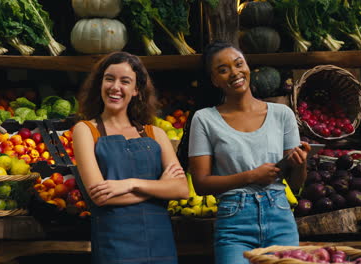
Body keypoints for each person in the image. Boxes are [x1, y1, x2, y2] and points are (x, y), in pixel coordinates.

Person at [178, 41, 311, 264]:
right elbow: (200, 184)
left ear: (248, 66)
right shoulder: (205, 119)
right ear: (214, 80)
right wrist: (251, 177)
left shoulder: (282, 114)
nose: (234, 72)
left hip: (279, 216)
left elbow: (296, 184)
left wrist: (301, 163)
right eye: (223, 69)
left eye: (239, 64)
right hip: (234, 225)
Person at [73, 51, 189, 264]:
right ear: (100, 84)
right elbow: (100, 196)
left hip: (160, 244)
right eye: (109, 79)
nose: (115, 87)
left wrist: (129, 184)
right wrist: (160, 189)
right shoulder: (86, 130)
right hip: (115, 245)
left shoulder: (156, 134)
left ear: (136, 90)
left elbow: (181, 189)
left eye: (125, 81)